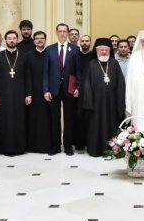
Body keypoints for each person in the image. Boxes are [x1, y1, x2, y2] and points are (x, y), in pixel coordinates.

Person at [80, 38, 126, 157]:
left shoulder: (114, 63)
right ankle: (96, 149)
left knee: (111, 125)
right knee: (96, 126)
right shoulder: (92, 64)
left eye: (106, 50)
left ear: (110, 51)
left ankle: (112, 149)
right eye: (101, 50)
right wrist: (89, 103)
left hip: (112, 103)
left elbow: (121, 83)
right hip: (95, 104)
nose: (104, 52)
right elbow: (87, 85)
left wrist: (120, 102)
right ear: (97, 51)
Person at [0, 30, 33, 156]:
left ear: (17, 40)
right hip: (3, 94)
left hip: (20, 94)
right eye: (9, 38)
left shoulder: (23, 56)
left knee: (19, 120)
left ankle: (20, 147)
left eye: (14, 38)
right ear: (5, 40)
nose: (11, 40)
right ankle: (3, 147)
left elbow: (28, 76)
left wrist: (28, 94)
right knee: (4, 120)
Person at [44, 23, 81, 156]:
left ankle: (68, 145)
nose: (62, 33)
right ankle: (56, 146)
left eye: (65, 31)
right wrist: (45, 90)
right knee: (55, 118)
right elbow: (45, 72)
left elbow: (78, 71)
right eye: (60, 31)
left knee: (69, 118)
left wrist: (78, 86)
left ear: (68, 33)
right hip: (53, 89)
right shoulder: (49, 49)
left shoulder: (75, 49)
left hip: (69, 89)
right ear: (56, 32)